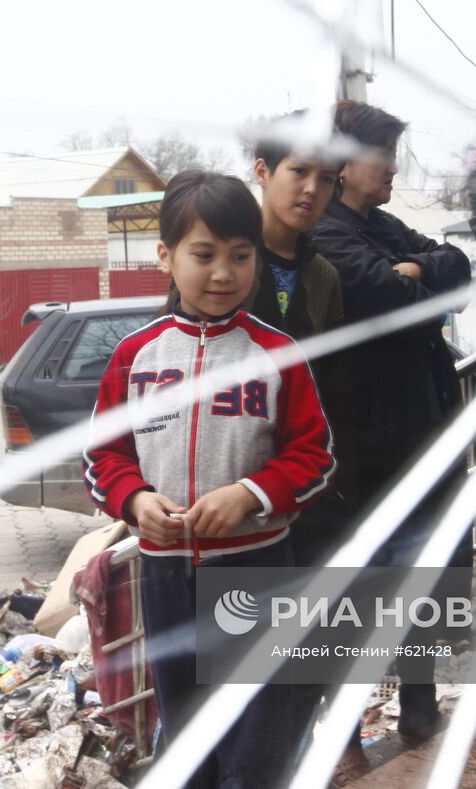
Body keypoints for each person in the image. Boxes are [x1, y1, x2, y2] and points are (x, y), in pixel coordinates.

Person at [83, 169, 335, 788]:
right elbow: (103, 457)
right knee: (188, 731)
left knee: (258, 734)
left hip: (255, 572)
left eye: (240, 256)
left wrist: (249, 494)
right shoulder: (136, 357)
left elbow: (316, 455)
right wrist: (135, 499)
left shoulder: (277, 354)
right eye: (204, 255)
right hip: (165, 576)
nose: (223, 273)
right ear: (165, 256)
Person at [307, 100, 473, 743]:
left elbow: (459, 266)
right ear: (345, 165)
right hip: (365, 436)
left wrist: (419, 269)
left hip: (417, 425)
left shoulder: (387, 226)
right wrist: (415, 280)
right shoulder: (326, 232)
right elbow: (388, 296)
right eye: (383, 158)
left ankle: (420, 702)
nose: (393, 171)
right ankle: (343, 723)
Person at [243, 112, 353, 568]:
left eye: (327, 178)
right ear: (263, 171)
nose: (312, 189)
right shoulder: (225, 265)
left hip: (304, 482)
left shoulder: (323, 274)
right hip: (230, 488)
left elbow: (331, 382)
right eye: (299, 171)